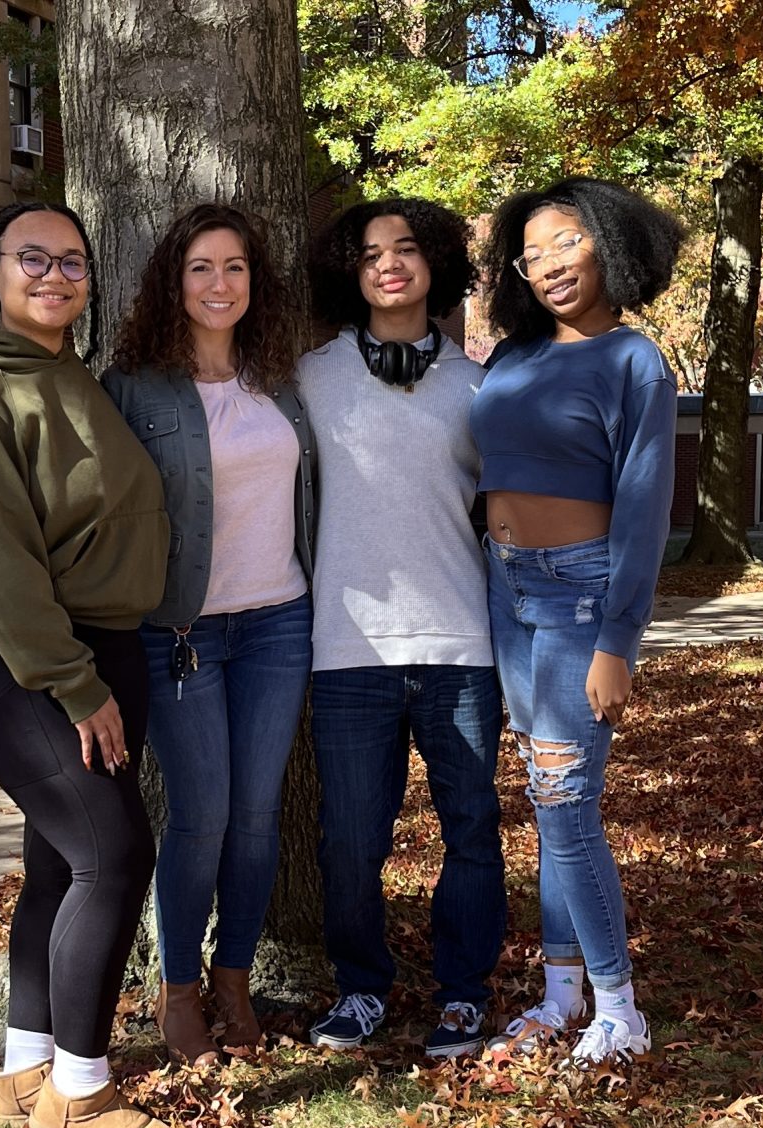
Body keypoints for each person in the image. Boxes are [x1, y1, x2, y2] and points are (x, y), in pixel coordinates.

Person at [0, 201, 172, 1128]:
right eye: (32, 259)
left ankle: (27, 1065)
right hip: (28, 658)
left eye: (71, 261)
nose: (55, 275)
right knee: (114, 858)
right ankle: (80, 1096)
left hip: (102, 647)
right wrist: (72, 682)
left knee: (61, 866)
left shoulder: (72, 375)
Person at [472, 177, 684, 1068]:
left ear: (607, 242)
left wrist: (615, 643)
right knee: (546, 801)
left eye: (564, 241)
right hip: (503, 587)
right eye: (530, 252)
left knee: (567, 806)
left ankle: (619, 1008)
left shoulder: (635, 362)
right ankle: (561, 995)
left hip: (578, 597)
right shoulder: (509, 358)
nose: (547, 264)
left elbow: (642, 510)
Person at [102, 203, 315, 1067]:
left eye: (233, 267)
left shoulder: (283, 381)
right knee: (203, 816)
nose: (218, 283)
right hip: (180, 631)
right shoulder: (132, 387)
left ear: (252, 282)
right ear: (172, 282)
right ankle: (179, 987)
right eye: (200, 267)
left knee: (259, 819)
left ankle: (234, 979)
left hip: (280, 622)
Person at [298, 198, 507, 1059]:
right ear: (349, 271)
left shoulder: (477, 387)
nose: (390, 264)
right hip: (345, 652)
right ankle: (360, 987)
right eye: (371, 252)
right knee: (349, 837)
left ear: (437, 265)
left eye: (408, 249)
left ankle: (463, 994)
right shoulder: (308, 377)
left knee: (470, 827)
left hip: (460, 646)